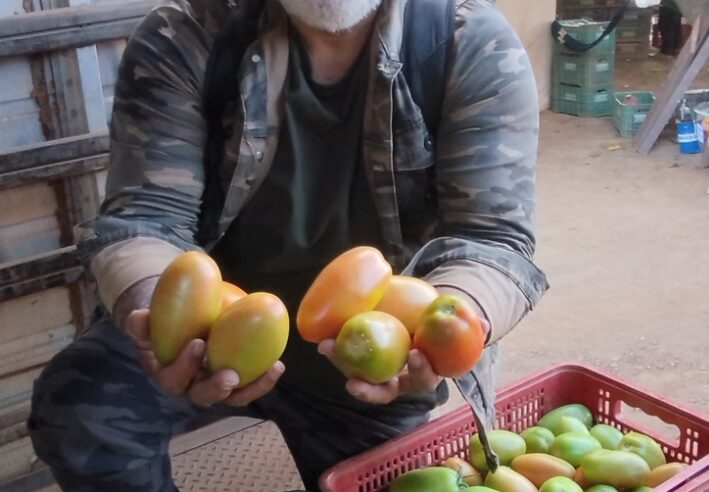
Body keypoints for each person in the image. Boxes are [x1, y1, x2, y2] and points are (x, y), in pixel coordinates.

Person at [28, 0, 548, 490]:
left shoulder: (467, 46)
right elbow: (145, 215)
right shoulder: (188, 37)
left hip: (368, 363)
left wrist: (444, 327)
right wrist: (156, 311)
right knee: (81, 407)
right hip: (208, 337)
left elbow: (492, 237)